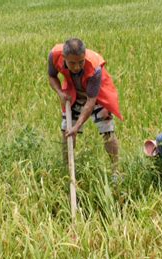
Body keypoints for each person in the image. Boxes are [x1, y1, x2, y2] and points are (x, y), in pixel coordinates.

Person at [47, 38, 123, 178]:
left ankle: (116, 171)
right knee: (66, 131)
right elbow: (52, 76)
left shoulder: (94, 67)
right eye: (72, 63)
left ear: (85, 56)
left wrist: (78, 126)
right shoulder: (54, 55)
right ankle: (68, 170)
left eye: (80, 62)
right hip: (73, 91)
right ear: (64, 58)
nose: (76, 67)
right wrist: (60, 93)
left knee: (107, 130)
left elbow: (91, 101)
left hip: (96, 93)